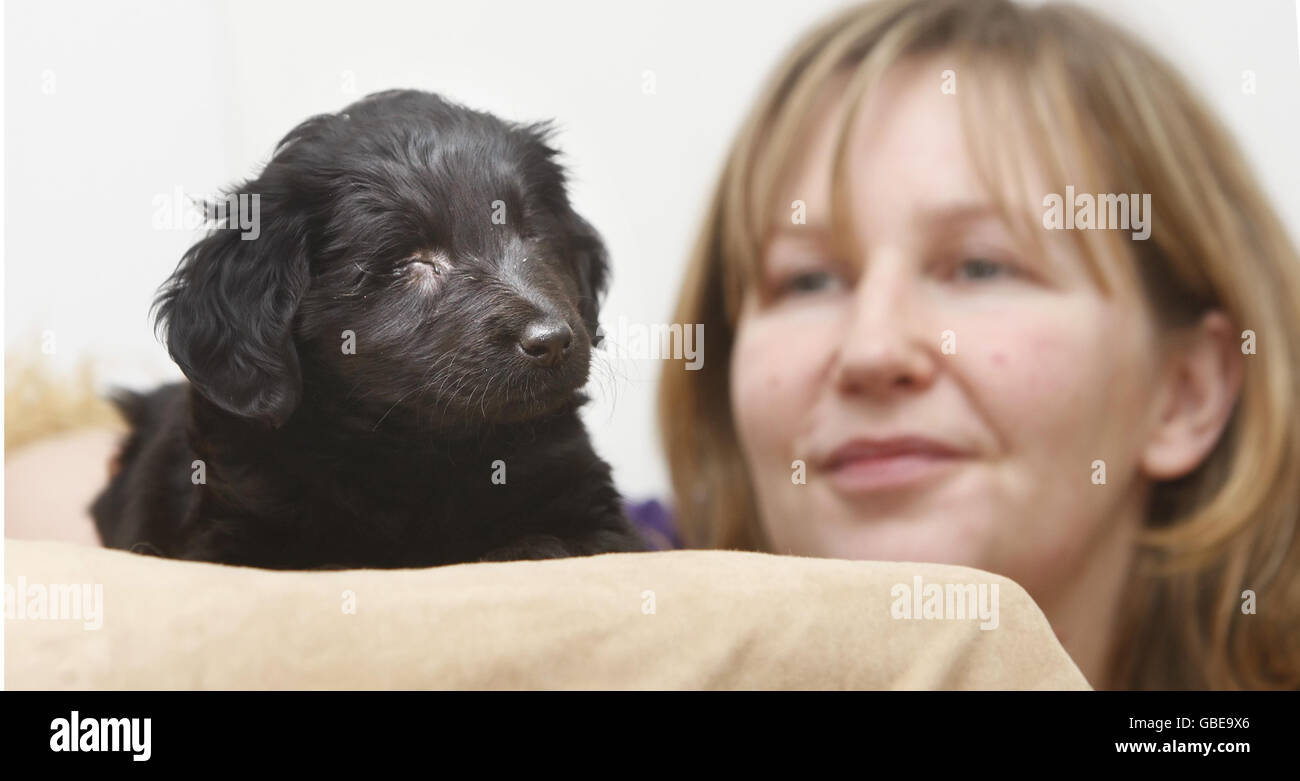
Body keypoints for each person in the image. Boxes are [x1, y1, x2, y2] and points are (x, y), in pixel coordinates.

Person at [657, 0, 1300, 689]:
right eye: (807, 280)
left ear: (1184, 393)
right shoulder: (586, 604)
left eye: (981, 267)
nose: (872, 351)